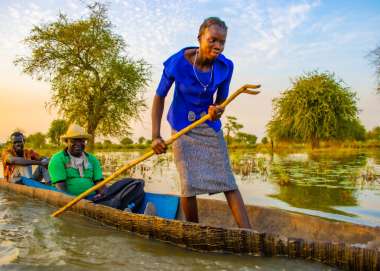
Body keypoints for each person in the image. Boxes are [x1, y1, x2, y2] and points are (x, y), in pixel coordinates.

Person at [151, 17, 251, 228]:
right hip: (182, 127)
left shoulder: (226, 67)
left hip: (208, 126)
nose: (218, 46)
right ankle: (194, 230)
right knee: (188, 183)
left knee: (227, 180)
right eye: (212, 40)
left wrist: (217, 111)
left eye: (222, 42)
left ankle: (249, 233)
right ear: (200, 38)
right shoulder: (178, 62)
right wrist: (155, 135)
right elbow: (159, 96)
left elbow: (221, 102)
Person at [48, 124, 105, 198]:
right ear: (66, 142)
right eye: (73, 141)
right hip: (71, 200)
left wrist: (103, 195)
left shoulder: (92, 159)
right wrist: (76, 201)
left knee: (123, 184)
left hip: (93, 198)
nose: (78, 144)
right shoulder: (57, 159)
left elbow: (99, 182)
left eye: (82, 141)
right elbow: (61, 188)